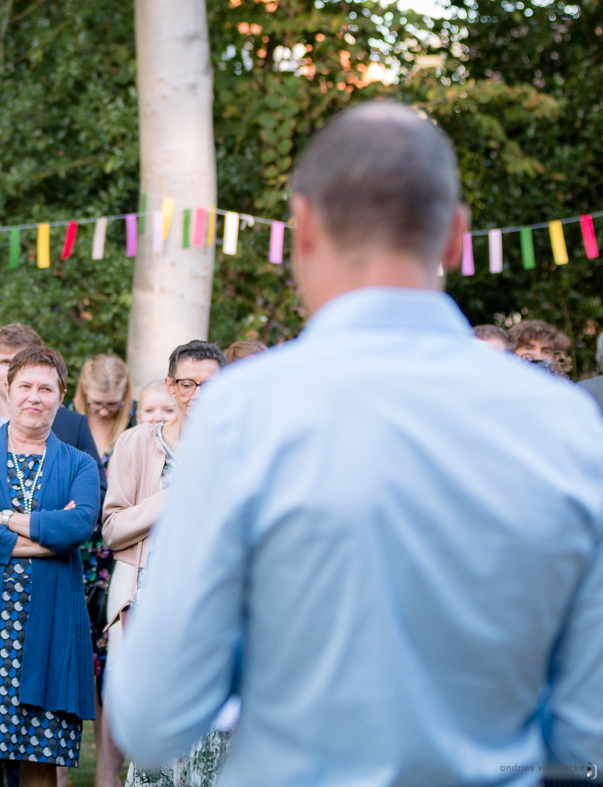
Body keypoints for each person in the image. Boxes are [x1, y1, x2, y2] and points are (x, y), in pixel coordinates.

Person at [108, 101, 603, 785]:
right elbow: (585, 723)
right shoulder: (564, 423)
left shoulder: (243, 416)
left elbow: (151, 714)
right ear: (456, 236)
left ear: (304, 227)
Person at [0, 345, 100, 787]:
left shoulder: (80, 463)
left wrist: (6, 518)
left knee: (40, 764)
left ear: (62, 396)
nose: (34, 396)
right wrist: (46, 541)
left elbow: (79, 525)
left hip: (53, 628)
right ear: (7, 389)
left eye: (46, 388)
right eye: (25, 386)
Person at [102, 341, 230, 787]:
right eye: (188, 384)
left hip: (218, 608)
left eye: (210, 384)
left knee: (214, 739)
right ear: (172, 386)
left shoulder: (239, 445)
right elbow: (112, 528)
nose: (198, 394)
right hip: (151, 606)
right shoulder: (137, 443)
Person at [0, 324, 104, 496]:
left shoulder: (73, 425)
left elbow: (96, 490)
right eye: (5, 362)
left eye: (24, 362)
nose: (12, 370)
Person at [69, 353, 134, 787]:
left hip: (116, 558)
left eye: (113, 403)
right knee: (70, 668)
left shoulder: (136, 431)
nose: (106, 410)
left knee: (111, 673)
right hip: (73, 555)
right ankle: (57, 776)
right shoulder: (67, 425)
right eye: (98, 402)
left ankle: (107, 777)